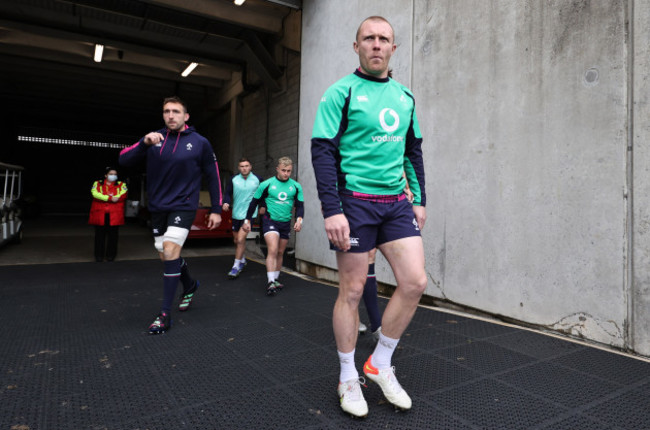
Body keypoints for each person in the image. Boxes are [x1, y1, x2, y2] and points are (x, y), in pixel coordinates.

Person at [311, 16, 427, 418]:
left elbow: (413, 150)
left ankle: (379, 363)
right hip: (354, 202)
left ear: (394, 48)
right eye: (369, 39)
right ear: (356, 46)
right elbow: (322, 152)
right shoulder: (340, 93)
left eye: (384, 39)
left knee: (414, 282)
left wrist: (420, 200)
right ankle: (347, 376)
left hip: (396, 203)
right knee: (353, 291)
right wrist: (332, 210)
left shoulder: (405, 97)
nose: (377, 45)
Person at [119, 96, 222, 334]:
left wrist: (216, 208)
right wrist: (144, 143)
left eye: (176, 111)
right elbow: (124, 159)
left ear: (186, 116)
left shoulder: (200, 142)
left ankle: (165, 315)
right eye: (166, 111)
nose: (171, 115)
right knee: (166, 257)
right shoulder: (154, 138)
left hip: (184, 205)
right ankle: (190, 284)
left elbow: (213, 175)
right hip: (158, 207)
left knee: (170, 249)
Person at [242, 156, 304, 296]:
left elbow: (300, 206)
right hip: (270, 221)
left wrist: (299, 220)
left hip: (285, 223)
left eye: (289, 171)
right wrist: (247, 221)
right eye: (283, 170)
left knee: (280, 252)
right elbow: (254, 203)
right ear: (277, 169)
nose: (286, 173)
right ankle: (270, 281)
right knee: (273, 249)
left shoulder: (296, 186)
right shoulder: (266, 184)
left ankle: (275, 279)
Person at [222, 157, 263, 279]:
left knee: (240, 240)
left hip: (249, 215)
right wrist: (226, 202)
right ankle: (243, 259)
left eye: (246, 166)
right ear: (239, 168)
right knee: (237, 240)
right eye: (242, 166)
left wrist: (262, 206)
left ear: (250, 167)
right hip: (236, 214)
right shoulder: (234, 179)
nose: (244, 168)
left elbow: (264, 194)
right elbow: (228, 193)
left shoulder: (258, 179)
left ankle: (236, 266)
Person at [88, 167, 128, 262]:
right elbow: (94, 194)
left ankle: (111, 255)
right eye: (111, 174)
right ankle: (99, 256)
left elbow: (123, 194)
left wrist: (115, 198)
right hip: (100, 214)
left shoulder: (121, 184)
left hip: (114, 215)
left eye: (115, 174)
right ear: (106, 175)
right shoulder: (97, 183)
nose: (113, 176)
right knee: (99, 236)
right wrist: (109, 198)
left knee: (113, 236)